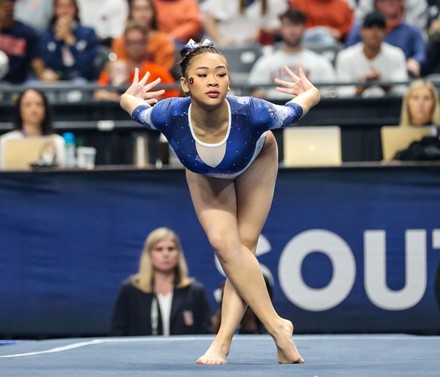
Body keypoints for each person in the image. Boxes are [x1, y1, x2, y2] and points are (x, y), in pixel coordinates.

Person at [119, 38, 321, 364]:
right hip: (203, 174)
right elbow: (134, 107)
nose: (213, 81)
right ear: (186, 84)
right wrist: (128, 96)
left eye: (221, 73)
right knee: (224, 246)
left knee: (243, 247)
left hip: (256, 160)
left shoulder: (252, 112)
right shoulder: (168, 114)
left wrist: (311, 92)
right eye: (203, 74)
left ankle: (223, 342)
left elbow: (295, 109)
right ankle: (277, 326)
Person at [110, 227, 212, 336]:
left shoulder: (194, 291)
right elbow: (117, 332)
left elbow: (205, 333)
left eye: (171, 249)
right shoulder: (131, 290)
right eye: (159, 249)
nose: (166, 254)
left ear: (178, 254)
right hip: (139, 352)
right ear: (149, 254)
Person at [248, 7, 337, 100]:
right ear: (281, 29)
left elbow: (331, 93)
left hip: (311, 111)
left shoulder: (320, 62)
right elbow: (255, 92)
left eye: (296, 24)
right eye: (288, 25)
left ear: (304, 28)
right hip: (274, 110)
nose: (292, 30)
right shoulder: (266, 62)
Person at [94, 21, 180, 101]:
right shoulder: (116, 68)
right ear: (125, 44)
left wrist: (154, 98)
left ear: (146, 43)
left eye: (140, 42)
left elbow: (174, 97)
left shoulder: (158, 72)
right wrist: (122, 99)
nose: (135, 47)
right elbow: (98, 94)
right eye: (131, 42)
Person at [335, 11, 408, 97]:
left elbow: (402, 91)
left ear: (386, 32)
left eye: (379, 28)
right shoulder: (345, 56)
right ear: (361, 31)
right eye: (370, 27)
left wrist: (382, 84)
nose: (375, 32)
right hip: (354, 108)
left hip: (389, 107)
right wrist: (362, 87)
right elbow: (342, 93)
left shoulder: (396, 55)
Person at [345, 0, 426, 78]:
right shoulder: (362, 28)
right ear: (375, 3)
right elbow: (348, 51)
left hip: (398, 72)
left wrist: (415, 61)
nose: (391, 2)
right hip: (362, 73)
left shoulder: (411, 31)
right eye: (384, 0)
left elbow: (421, 53)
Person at [0, 88, 65, 168]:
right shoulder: (5, 142)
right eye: (28, 105)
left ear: (45, 109)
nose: (34, 109)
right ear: (19, 109)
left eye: (39, 104)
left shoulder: (57, 141)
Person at [38, 0, 99, 82]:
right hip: (55, 78)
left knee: (80, 83)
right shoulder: (46, 34)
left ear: (76, 9)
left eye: (69, 6)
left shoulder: (88, 33)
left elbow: (88, 66)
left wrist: (69, 38)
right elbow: (48, 63)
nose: (65, 10)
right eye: (61, 6)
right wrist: (57, 39)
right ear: (54, 9)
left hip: (80, 77)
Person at [111, 0, 176, 75]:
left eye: (146, 9)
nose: (142, 14)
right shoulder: (120, 41)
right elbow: (119, 68)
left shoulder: (163, 41)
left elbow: (163, 72)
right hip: (127, 81)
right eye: (137, 9)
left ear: (153, 12)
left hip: (156, 82)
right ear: (131, 12)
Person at [0, 0, 56, 83]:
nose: (7, 6)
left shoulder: (26, 33)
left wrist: (43, 74)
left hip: (19, 84)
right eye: (2, 5)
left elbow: (36, 60)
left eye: (10, 3)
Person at [389, 79, 440, 160]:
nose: (421, 103)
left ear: (434, 104)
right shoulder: (393, 136)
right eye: (415, 98)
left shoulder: (438, 135)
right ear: (407, 103)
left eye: (426, 98)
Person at [200, 0, 288, 47]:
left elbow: (279, 25)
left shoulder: (273, 2)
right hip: (223, 46)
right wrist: (221, 40)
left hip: (253, 46)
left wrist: (261, 32)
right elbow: (209, 18)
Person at [288, 0, 355, 45]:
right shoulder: (299, 2)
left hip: (336, 44)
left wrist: (339, 32)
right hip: (304, 42)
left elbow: (349, 26)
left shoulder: (343, 5)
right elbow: (294, 24)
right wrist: (323, 31)